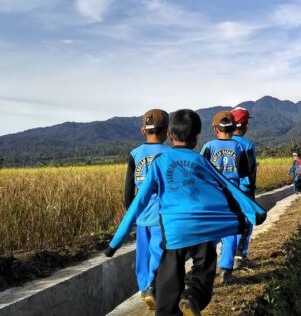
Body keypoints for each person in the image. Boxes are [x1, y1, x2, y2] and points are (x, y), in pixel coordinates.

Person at [105, 109, 266, 316]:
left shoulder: (159, 162)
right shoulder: (201, 161)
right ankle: (192, 296)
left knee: (168, 274)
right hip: (202, 228)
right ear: (197, 137)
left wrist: (114, 244)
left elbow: (137, 202)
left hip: (173, 231)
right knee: (204, 267)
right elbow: (228, 186)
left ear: (170, 136)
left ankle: (165, 307)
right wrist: (255, 211)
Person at [124, 109, 171, 310]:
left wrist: (130, 213)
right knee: (159, 251)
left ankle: (144, 288)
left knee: (142, 253)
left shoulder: (135, 154)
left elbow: (128, 189)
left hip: (141, 214)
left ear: (143, 130)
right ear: (168, 131)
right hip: (163, 214)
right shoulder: (170, 153)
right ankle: (153, 285)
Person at [200, 111, 249, 283]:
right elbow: (244, 174)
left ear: (214, 128)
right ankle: (226, 268)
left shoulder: (208, 146)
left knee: (211, 232)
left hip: (212, 196)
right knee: (230, 232)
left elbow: (200, 172)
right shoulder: (239, 147)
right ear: (234, 127)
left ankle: (208, 267)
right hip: (233, 196)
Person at [230, 106, 256, 270]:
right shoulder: (247, 145)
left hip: (224, 193)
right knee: (246, 223)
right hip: (244, 192)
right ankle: (240, 255)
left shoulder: (220, 143)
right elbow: (251, 173)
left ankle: (228, 256)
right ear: (245, 125)